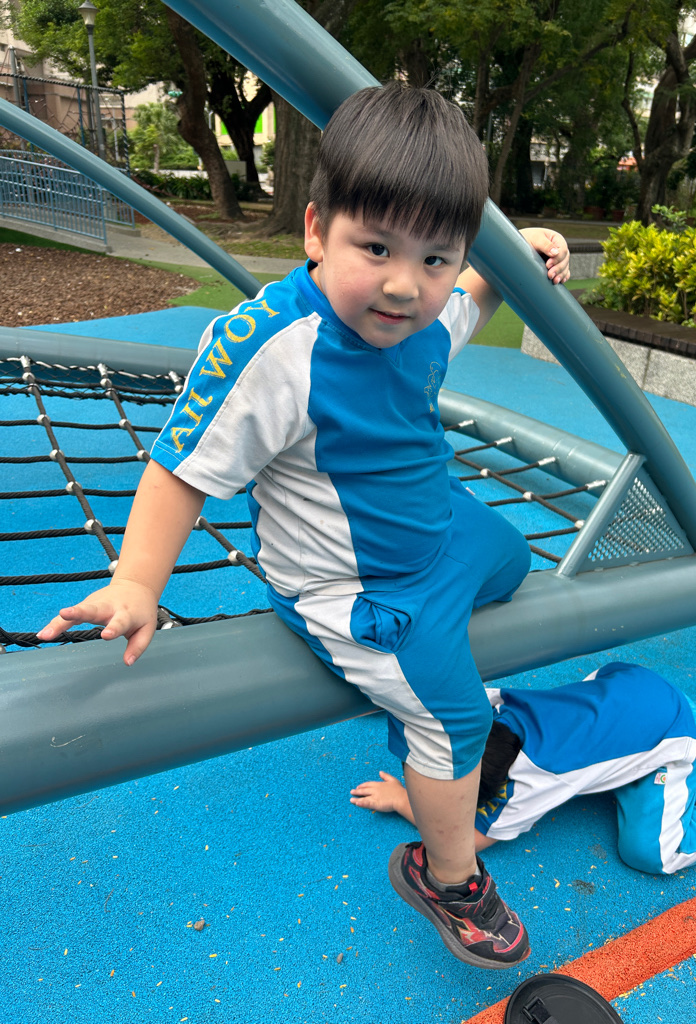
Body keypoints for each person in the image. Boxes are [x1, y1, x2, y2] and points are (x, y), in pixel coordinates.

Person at [37, 82, 571, 971]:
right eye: (377, 247)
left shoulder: (420, 315)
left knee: (510, 556)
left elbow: (470, 298)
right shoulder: (277, 348)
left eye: (436, 258)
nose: (404, 284)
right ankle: (447, 875)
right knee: (453, 717)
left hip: (435, 535)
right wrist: (137, 582)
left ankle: (410, 710)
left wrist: (523, 251)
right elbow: (181, 467)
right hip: (353, 588)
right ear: (317, 230)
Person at [351, 662, 696, 873]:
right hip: (626, 683)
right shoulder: (483, 708)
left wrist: (403, 800)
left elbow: (465, 841)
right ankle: (622, 766)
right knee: (586, 736)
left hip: (676, 733)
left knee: (650, 853)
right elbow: (427, 702)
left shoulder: (527, 785)